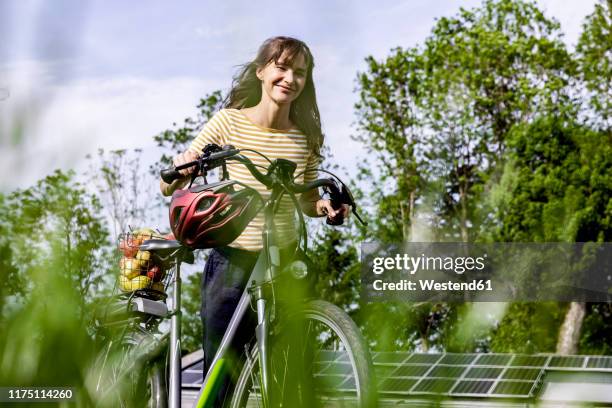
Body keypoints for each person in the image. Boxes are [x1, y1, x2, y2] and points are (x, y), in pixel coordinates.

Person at [159, 36, 348, 398]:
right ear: (261, 71)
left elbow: (307, 199)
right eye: (282, 67)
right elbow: (175, 178)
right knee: (221, 377)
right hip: (233, 261)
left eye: (300, 73)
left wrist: (327, 207)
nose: (290, 78)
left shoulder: (304, 138)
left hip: (283, 261)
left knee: (289, 377)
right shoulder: (229, 123)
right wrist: (181, 168)